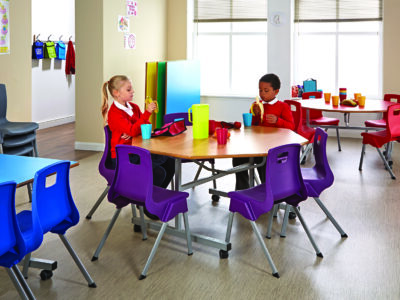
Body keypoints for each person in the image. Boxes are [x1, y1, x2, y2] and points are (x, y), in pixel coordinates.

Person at [101, 74, 175, 190]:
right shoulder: (114, 114)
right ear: (116, 93)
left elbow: (146, 127)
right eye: (129, 89)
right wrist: (142, 119)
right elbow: (134, 129)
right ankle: (146, 202)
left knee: (170, 161)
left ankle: (154, 197)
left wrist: (133, 131)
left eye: (132, 89)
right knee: (158, 172)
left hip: (137, 151)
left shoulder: (134, 107)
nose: (133, 91)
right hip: (124, 157)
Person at [232, 73, 295, 190]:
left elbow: (291, 127)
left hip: (272, 149)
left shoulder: (283, 107)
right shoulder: (256, 105)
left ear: (276, 92)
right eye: (260, 90)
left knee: (265, 162)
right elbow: (251, 126)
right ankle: (242, 191)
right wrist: (254, 114)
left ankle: (267, 191)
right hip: (256, 146)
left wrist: (278, 120)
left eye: (266, 90)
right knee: (238, 159)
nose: (262, 94)